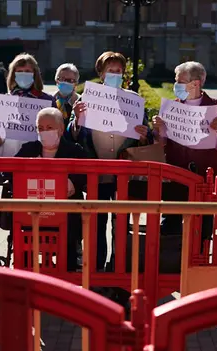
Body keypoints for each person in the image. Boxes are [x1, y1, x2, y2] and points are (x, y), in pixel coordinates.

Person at [68, 51, 150, 271]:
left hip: (124, 173)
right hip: (97, 173)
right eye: (110, 71)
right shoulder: (87, 98)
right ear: (101, 74)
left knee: (121, 223)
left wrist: (144, 135)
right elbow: (72, 135)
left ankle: (118, 267)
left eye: (118, 71)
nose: (115, 74)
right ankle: (95, 268)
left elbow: (146, 134)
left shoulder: (133, 100)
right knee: (96, 222)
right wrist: (76, 120)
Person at [152, 61, 217, 235]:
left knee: (203, 228)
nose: (176, 85)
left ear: (196, 83)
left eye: (180, 82)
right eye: (176, 81)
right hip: (175, 175)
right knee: (170, 226)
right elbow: (161, 143)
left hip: (204, 177)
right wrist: (158, 129)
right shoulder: (171, 106)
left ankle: (200, 252)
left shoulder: (216, 106)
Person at [14, 107, 88, 270]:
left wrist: (72, 182)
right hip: (33, 214)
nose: (44, 131)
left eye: (49, 128)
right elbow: (10, 173)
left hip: (65, 216)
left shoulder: (75, 151)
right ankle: (25, 275)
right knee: (23, 227)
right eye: (40, 128)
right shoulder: (28, 149)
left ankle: (67, 276)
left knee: (70, 233)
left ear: (61, 129)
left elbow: (85, 175)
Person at [0, 53, 55, 157]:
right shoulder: (4, 102)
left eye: (27, 71)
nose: (23, 74)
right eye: (19, 71)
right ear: (13, 75)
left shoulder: (47, 101)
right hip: (9, 158)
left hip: (37, 159)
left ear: (35, 74)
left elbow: (55, 136)